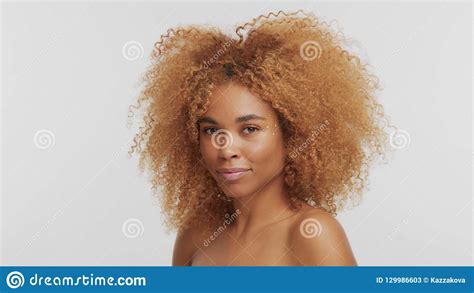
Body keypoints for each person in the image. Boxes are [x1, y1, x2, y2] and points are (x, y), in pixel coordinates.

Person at [129, 10, 394, 266]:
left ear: (292, 135)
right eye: (211, 131)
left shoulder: (311, 234)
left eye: (250, 129)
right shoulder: (196, 234)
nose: (226, 149)